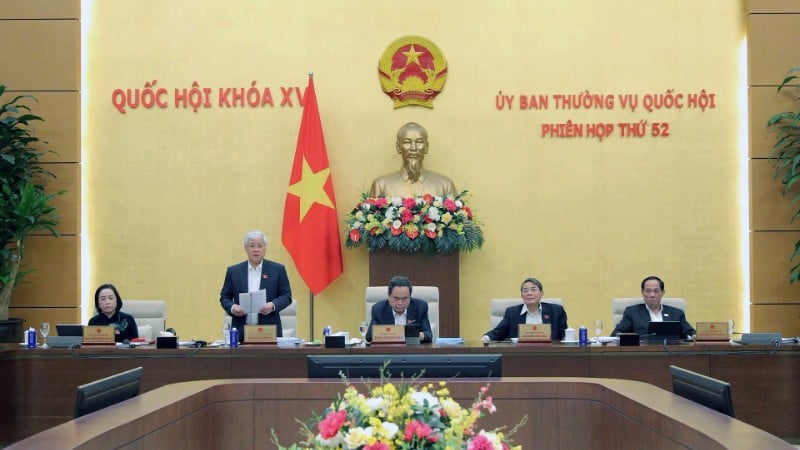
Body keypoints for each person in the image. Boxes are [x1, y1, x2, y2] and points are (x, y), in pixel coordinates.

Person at [219, 230, 293, 343]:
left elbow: (287, 296)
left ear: (265, 248)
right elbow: (225, 297)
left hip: (269, 332)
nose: (256, 249)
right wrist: (233, 308)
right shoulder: (234, 271)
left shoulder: (277, 269)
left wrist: (272, 305)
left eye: (260, 246)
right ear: (246, 248)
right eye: (252, 246)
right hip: (241, 332)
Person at [368, 122, 458, 198]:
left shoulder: (445, 185)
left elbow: (457, 218)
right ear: (398, 147)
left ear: (426, 147)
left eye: (419, 142)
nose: (413, 148)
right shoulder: (381, 185)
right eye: (407, 142)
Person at [481, 277, 568, 342]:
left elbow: (565, 336)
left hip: (550, 355)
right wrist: (485, 338)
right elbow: (498, 333)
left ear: (541, 293)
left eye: (533, 290)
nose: (529, 293)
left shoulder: (556, 311)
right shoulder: (512, 313)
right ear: (522, 295)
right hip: (520, 355)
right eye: (525, 291)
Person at [610, 275, 696, 339]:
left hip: (672, 354)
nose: (652, 295)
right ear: (642, 292)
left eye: (656, 291)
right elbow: (617, 334)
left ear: (662, 292)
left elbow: (690, 332)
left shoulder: (676, 313)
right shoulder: (632, 312)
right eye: (648, 291)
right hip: (643, 355)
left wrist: (694, 336)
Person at [365, 275, 433, 343]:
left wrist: (418, 335)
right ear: (389, 296)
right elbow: (369, 336)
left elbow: (428, 335)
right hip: (388, 351)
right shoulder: (378, 309)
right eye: (396, 299)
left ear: (410, 297)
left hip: (412, 351)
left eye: (404, 299)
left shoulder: (420, 307)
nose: (400, 303)